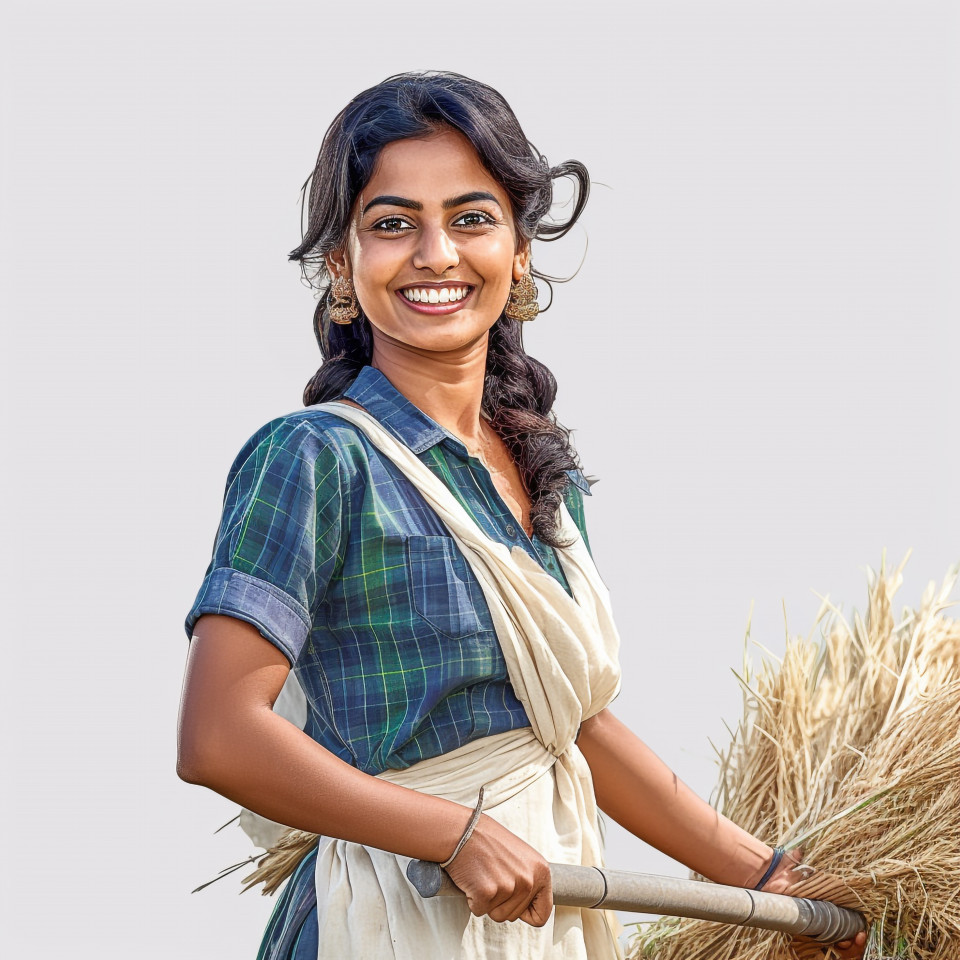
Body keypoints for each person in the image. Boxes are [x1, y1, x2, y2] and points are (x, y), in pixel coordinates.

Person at [177, 71, 866, 960]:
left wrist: (766, 878)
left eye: (471, 217)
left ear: (520, 251)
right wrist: (449, 833)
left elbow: (571, 726)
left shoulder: (544, 474)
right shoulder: (314, 458)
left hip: (546, 915)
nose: (435, 253)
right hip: (387, 917)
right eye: (393, 224)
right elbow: (218, 734)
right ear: (342, 265)